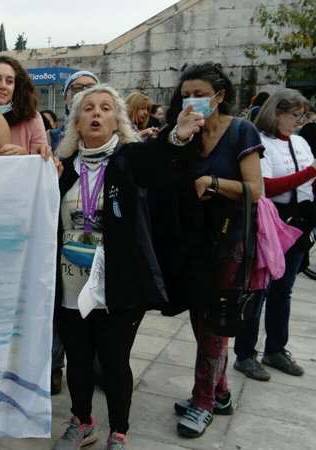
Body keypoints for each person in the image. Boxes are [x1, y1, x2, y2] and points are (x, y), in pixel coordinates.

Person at [51, 85, 203, 450]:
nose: (96, 113)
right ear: (76, 122)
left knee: (114, 361)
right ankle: (82, 422)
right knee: (78, 360)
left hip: (119, 285)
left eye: (105, 108)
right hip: (71, 283)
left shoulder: (130, 159)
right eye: (88, 108)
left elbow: (160, 159)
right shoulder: (62, 169)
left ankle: (119, 431)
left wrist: (178, 136)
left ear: (117, 120)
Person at [162, 62, 263, 439]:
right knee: (200, 319)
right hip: (194, 241)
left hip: (229, 240)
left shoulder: (241, 131)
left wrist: (214, 182)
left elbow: (256, 189)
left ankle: (202, 401)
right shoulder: (185, 133)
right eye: (186, 94)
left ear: (219, 96)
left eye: (200, 94)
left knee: (215, 324)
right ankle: (219, 393)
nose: (192, 101)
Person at [232, 89, 315, 381]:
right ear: (276, 113)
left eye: (302, 116)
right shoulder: (260, 142)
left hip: (299, 222)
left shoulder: (300, 142)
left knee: (284, 290)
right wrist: (310, 172)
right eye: (294, 115)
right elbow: (267, 186)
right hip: (271, 221)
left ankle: (276, 348)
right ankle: (245, 354)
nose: (299, 121)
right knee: (258, 290)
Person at [0, 55, 51, 155]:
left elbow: (43, 158)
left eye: (9, 81)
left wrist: (25, 155)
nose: (3, 86)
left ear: (16, 87)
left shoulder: (32, 118)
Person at [50, 70, 100, 150]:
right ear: (65, 97)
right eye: (77, 89)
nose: (84, 93)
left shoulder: (112, 137)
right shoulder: (52, 137)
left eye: (91, 88)